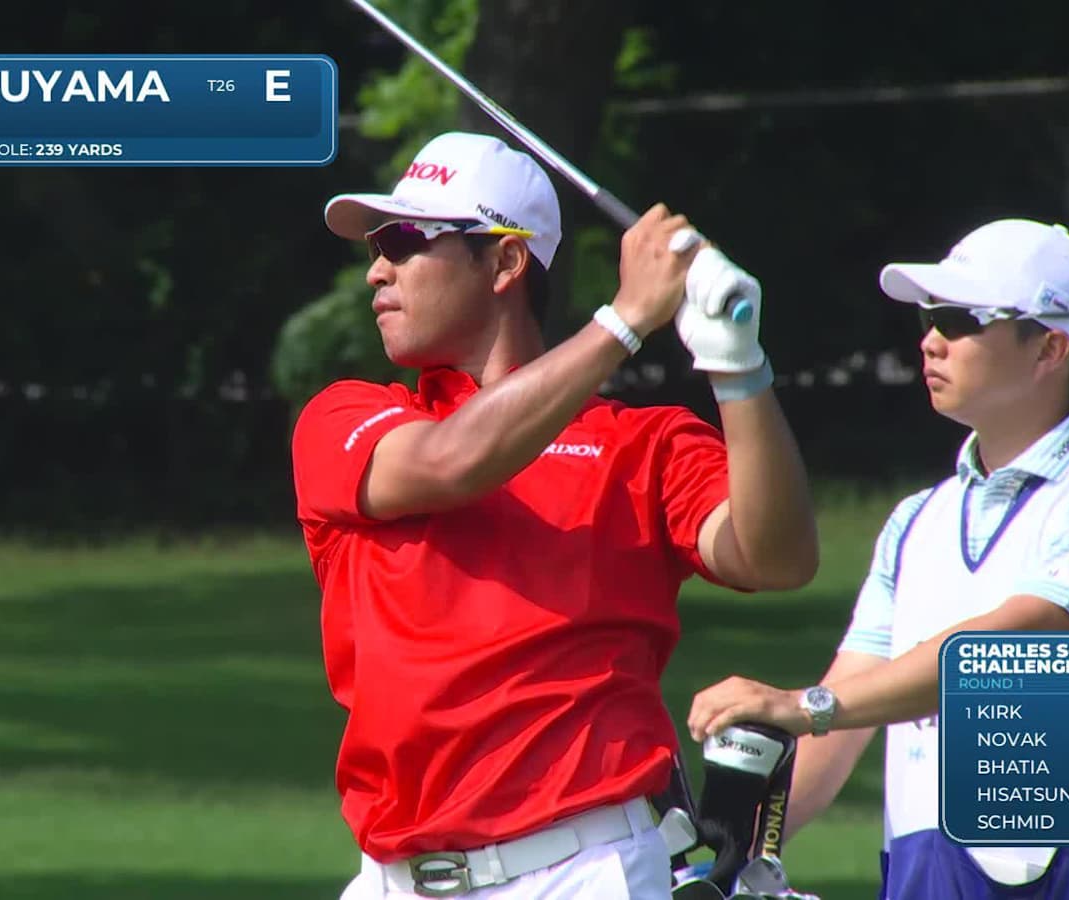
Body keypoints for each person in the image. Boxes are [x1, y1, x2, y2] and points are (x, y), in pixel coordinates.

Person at [291, 131, 818, 899]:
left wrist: (740, 367)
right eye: (377, 245)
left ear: (506, 262)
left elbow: (776, 558)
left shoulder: (644, 443)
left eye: (406, 241)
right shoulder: (347, 417)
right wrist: (626, 319)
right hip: (390, 881)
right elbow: (453, 462)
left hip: (583, 870)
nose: (377, 270)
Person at [686, 218, 1069, 900]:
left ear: (1050, 349)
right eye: (927, 316)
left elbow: (1008, 646)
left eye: (959, 318)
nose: (930, 340)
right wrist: (721, 860)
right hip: (924, 876)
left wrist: (807, 705)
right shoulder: (916, 519)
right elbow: (842, 725)